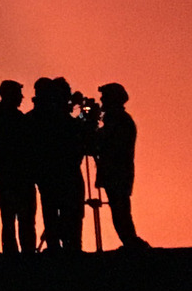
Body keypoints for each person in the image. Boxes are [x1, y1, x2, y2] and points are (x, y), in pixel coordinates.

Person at [26, 77, 85, 252]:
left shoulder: (35, 117)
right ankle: (69, 248)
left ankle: (58, 247)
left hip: (49, 174)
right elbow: (78, 135)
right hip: (62, 172)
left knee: (55, 212)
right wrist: (81, 114)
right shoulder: (56, 118)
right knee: (67, 213)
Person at [0, 80, 35, 255]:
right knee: (15, 218)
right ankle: (19, 255)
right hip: (13, 175)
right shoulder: (9, 118)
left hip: (13, 175)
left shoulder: (0, 117)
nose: (22, 97)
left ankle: (20, 254)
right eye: (18, 94)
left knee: (17, 218)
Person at [96, 82, 149, 250]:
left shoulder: (119, 121)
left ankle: (131, 242)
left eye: (105, 97)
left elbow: (100, 142)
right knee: (120, 208)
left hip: (117, 173)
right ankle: (130, 241)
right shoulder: (119, 120)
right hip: (117, 172)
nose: (102, 100)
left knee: (120, 209)